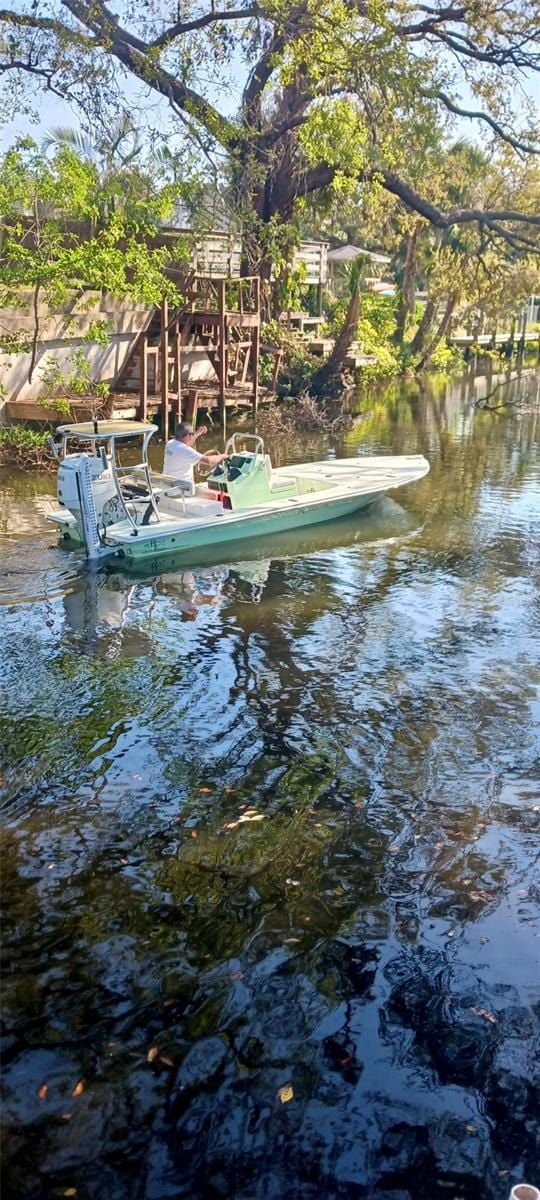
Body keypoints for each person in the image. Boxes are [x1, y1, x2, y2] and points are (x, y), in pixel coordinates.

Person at [163, 423, 228, 486]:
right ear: (188, 435)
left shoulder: (170, 443)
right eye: (192, 434)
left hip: (168, 486)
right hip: (181, 490)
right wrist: (223, 456)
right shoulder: (185, 450)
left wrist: (199, 432)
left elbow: (188, 441)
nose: (193, 436)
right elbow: (209, 461)